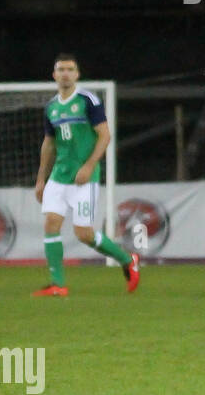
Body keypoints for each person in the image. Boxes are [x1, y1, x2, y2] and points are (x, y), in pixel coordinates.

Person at [33, 54, 140, 297]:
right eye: (60, 70)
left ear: (77, 74)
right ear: (54, 75)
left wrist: (90, 165)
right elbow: (49, 144)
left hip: (84, 179)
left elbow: (105, 135)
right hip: (59, 177)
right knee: (51, 223)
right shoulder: (51, 107)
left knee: (84, 234)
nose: (65, 74)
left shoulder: (88, 100)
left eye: (70, 69)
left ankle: (127, 259)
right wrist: (41, 178)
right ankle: (58, 284)